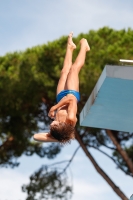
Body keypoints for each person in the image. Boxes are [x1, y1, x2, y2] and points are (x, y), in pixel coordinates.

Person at [33, 32, 90, 143]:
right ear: (60, 125)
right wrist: (54, 107)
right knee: (74, 69)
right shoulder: (70, 120)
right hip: (71, 93)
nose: (50, 125)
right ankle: (84, 46)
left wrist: (57, 138)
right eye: (52, 126)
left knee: (64, 72)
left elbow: (36, 137)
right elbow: (72, 100)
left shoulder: (56, 132)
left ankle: (70, 47)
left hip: (60, 97)